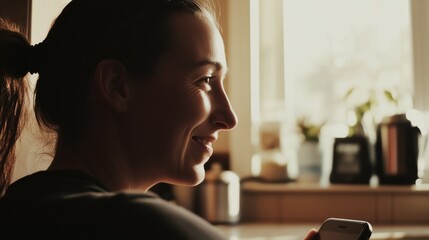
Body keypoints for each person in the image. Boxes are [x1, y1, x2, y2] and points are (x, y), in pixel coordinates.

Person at [0, 0, 318, 239]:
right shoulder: (144, 224)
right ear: (117, 86)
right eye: (205, 80)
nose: (229, 117)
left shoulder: (17, 208)